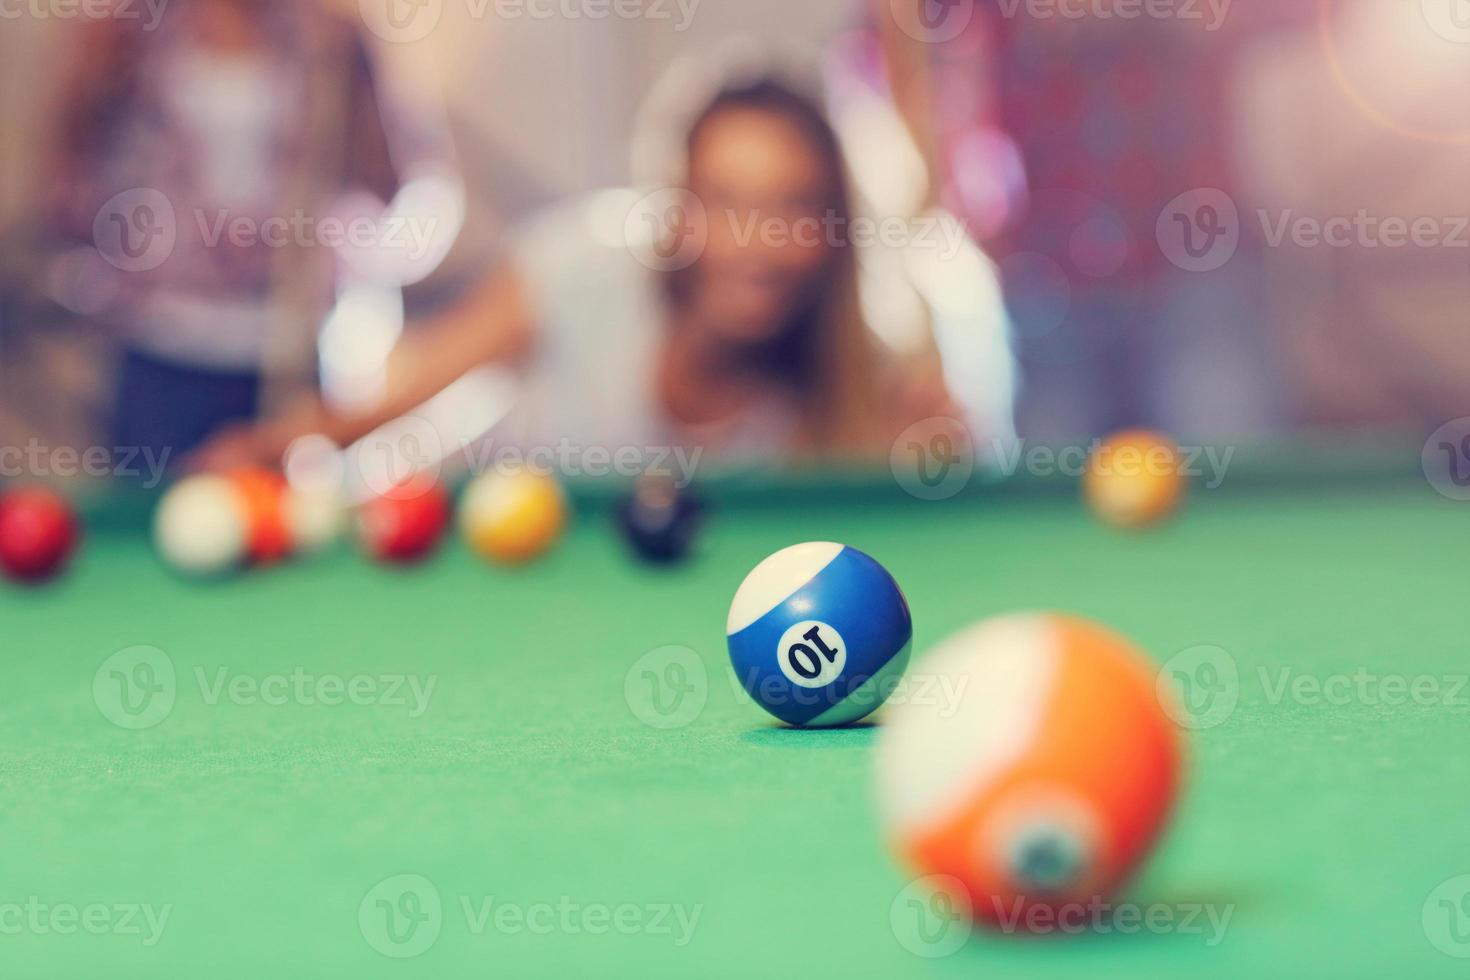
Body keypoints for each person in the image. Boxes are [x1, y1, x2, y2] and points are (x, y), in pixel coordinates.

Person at [195, 75, 999, 471]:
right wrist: (278, 445)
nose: (759, 242)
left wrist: (930, 459)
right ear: (679, 213)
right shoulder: (584, 263)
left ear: (834, 236)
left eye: (793, 207)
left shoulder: (853, 389)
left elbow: (923, 483)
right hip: (483, 597)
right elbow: (397, 395)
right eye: (727, 201)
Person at [43, 0, 446, 460]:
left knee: (298, 519)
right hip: (158, 349)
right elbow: (64, 193)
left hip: (294, 356)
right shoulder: (132, 28)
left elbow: (407, 189)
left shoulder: (330, 34)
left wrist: (340, 256)